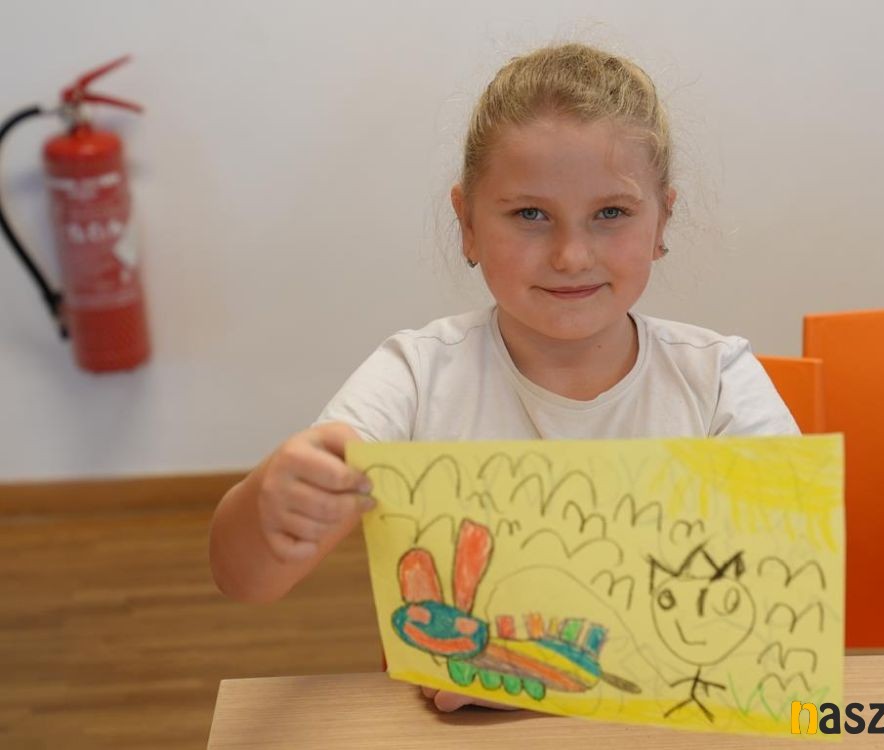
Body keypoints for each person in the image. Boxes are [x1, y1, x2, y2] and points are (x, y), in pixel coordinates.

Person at [209, 41, 798, 713]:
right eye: (529, 215)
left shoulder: (718, 379)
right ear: (467, 223)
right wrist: (272, 503)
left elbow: (779, 601)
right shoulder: (415, 377)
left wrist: (537, 680)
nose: (570, 255)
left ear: (662, 220)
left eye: (611, 213)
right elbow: (245, 581)